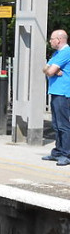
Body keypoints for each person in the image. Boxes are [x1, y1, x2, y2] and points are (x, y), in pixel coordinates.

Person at [42, 30, 70, 166]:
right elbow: (45, 69)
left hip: (63, 93)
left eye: (52, 39)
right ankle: (58, 151)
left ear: (58, 40)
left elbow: (50, 71)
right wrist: (50, 71)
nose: (50, 41)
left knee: (63, 125)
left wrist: (51, 71)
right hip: (56, 92)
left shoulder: (65, 52)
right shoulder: (56, 53)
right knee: (56, 124)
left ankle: (66, 154)